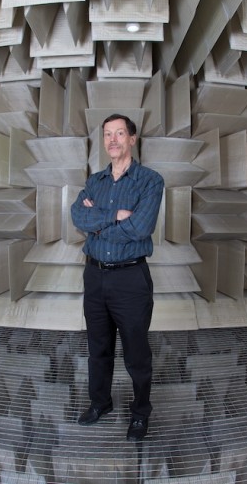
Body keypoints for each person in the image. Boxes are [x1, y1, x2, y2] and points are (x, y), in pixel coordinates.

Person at [70, 113, 164, 442]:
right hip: (95, 277)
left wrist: (98, 221)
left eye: (119, 133)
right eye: (108, 134)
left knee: (136, 353)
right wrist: (114, 215)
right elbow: (77, 216)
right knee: (98, 348)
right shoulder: (94, 181)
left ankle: (140, 414)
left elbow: (141, 228)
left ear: (132, 139)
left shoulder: (150, 180)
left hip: (130, 279)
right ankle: (101, 403)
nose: (113, 140)